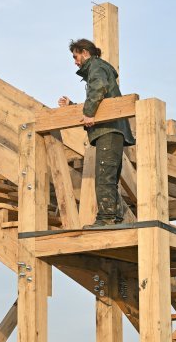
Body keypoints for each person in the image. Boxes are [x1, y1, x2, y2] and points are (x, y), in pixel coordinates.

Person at [58, 38, 135, 228]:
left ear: (85, 52)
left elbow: (98, 87)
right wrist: (75, 107)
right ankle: (113, 217)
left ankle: (106, 218)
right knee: (108, 175)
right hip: (111, 129)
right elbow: (99, 97)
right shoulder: (99, 68)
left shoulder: (96, 67)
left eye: (76, 57)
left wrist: (88, 112)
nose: (75, 62)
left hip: (108, 130)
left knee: (104, 175)